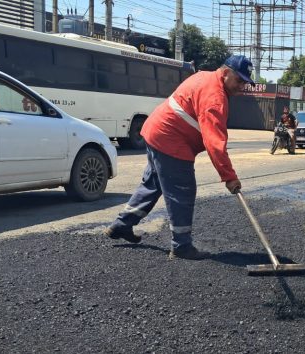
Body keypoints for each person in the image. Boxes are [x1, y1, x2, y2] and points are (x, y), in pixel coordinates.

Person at [103, 54, 254, 260]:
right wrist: (229, 177)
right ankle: (181, 246)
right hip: (170, 140)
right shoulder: (214, 98)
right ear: (226, 72)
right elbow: (215, 144)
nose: (242, 87)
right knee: (182, 191)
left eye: (245, 83)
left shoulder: (205, 76)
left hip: (155, 131)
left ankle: (122, 225)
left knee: (153, 184)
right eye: (239, 81)